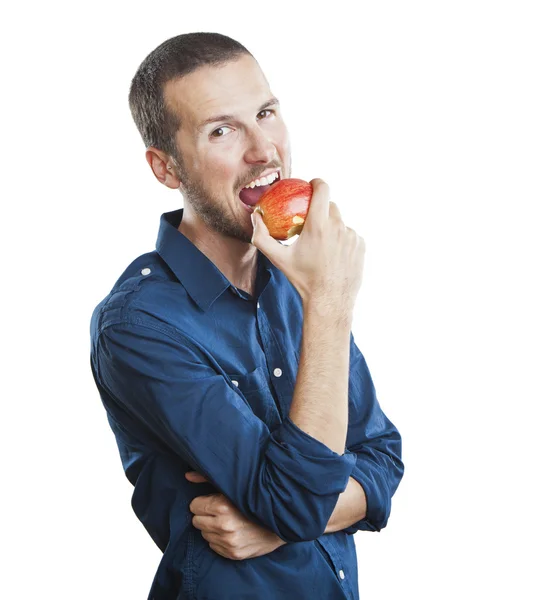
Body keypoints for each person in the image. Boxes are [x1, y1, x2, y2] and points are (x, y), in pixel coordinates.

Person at [89, 32, 404, 600]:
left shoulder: (295, 275)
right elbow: (302, 500)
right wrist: (330, 304)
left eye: (266, 113)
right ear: (165, 168)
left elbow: (382, 459)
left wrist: (276, 521)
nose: (265, 151)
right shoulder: (137, 327)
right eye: (222, 130)